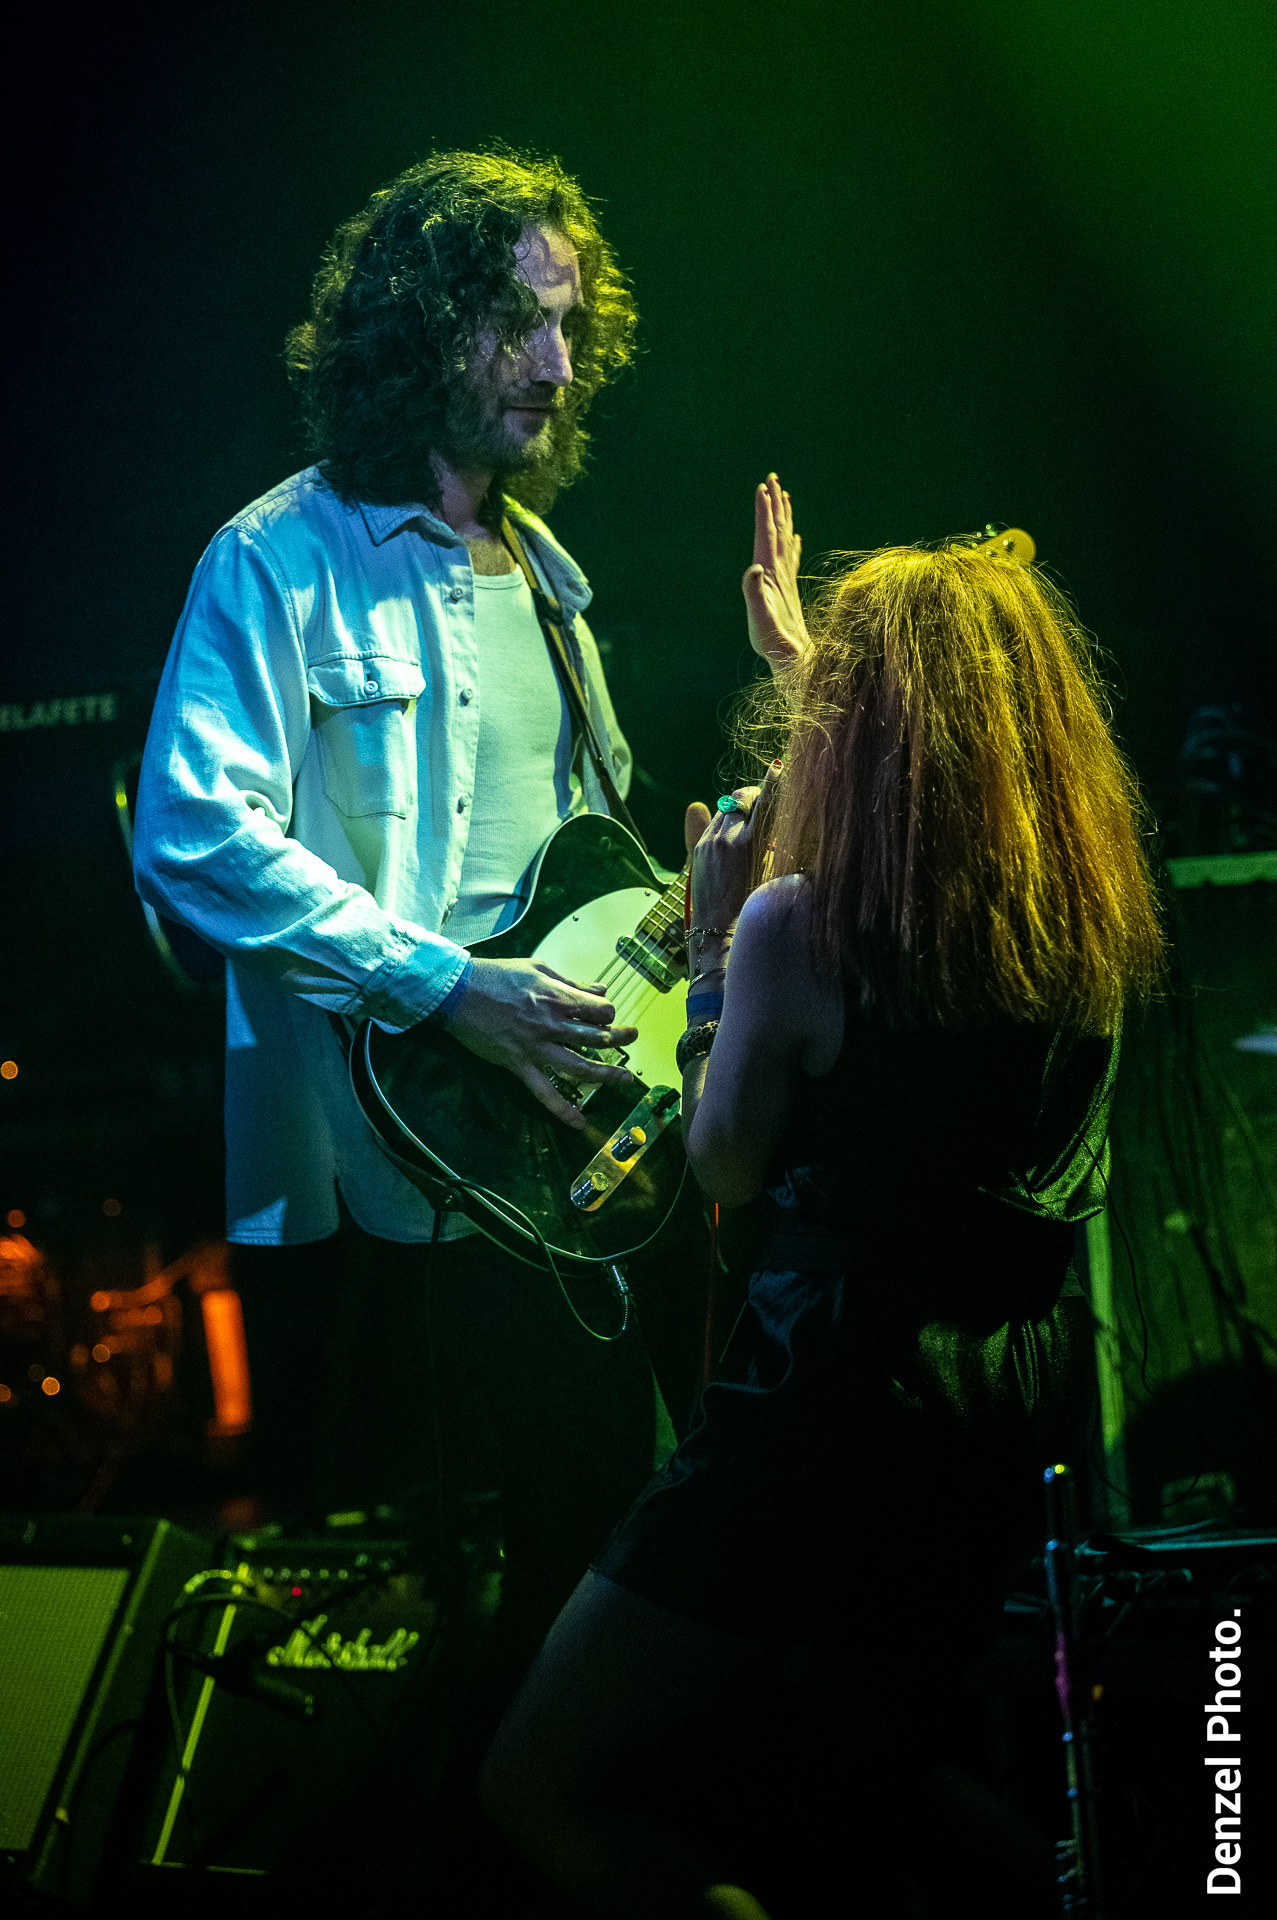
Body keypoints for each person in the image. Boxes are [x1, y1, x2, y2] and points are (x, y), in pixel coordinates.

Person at [480, 477, 1166, 1917]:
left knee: (545, 1785)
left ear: (870, 723)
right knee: (867, 1782)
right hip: (993, 1406)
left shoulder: (799, 925)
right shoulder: (1082, 918)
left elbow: (724, 1162)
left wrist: (713, 957)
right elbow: (933, 800)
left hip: (820, 1403)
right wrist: (807, 667)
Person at [132, 150, 682, 1725]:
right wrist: (442, 986)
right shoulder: (275, 560)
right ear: (419, 326)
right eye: (515, 323)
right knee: (479, 1578)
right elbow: (191, 834)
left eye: (570, 326)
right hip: (394, 1158)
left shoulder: (554, 586)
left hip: (563, 1152)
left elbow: (600, 865)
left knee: (606, 1531)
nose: (554, 364)